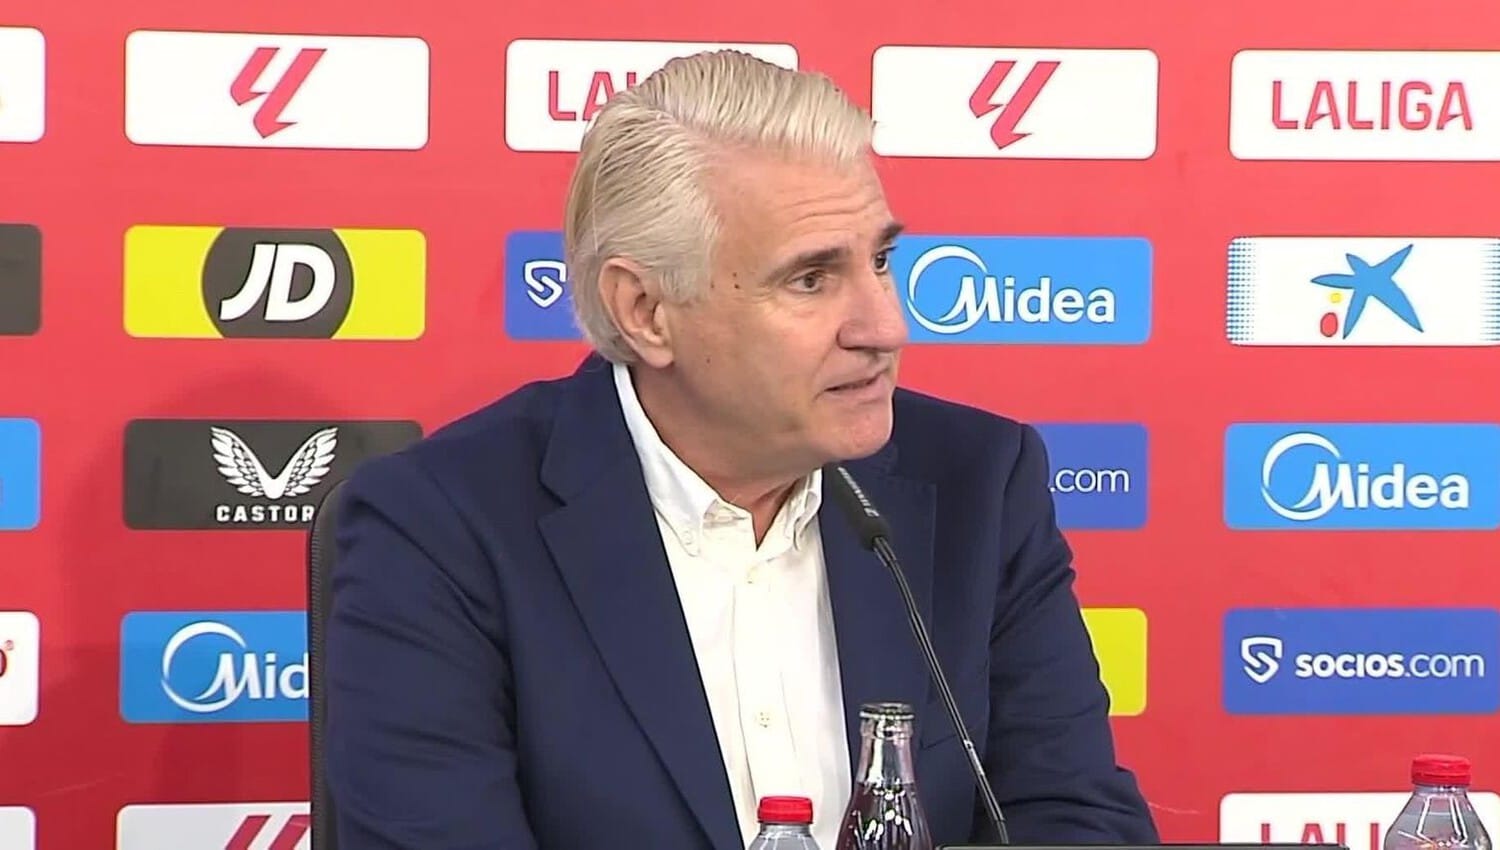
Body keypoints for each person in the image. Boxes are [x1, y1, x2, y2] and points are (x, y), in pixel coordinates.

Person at [323, 49, 1159, 850]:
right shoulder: (439, 531)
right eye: (810, 279)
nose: (885, 327)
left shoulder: (980, 484)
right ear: (646, 311)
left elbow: (1075, 822)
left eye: (880, 261)